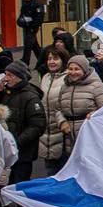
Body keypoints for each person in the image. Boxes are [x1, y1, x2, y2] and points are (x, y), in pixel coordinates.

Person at [0, 61, 45, 207]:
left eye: (10, 75)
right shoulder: (7, 92)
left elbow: (37, 125)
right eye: (5, 75)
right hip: (8, 149)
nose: (6, 79)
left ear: (19, 77)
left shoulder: (30, 97)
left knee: (20, 183)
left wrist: (16, 142)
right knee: (12, 181)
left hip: (23, 150)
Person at [57, 55, 103, 156]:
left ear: (84, 70)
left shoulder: (97, 86)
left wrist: (95, 114)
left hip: (90, 138)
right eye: (70, 69)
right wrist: (61, 122)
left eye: (77, 69)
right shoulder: (65, 86)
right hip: (69, 139)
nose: (73, 72)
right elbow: (58, 109)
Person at [38, 44, 71, 174]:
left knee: (63, 171)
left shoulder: (69, 78)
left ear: (63, 60)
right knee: (50, 172)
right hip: (47, 132)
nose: (51, 62)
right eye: (49, 58)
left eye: (55, 58)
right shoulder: (46, 77)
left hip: (63, 133)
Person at [17, 0, 46, 68]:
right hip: (27, 27)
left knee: (28, 44)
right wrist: (20, 21)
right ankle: (42, 60)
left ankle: (25, 61)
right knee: (34, 45)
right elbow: (22, 15)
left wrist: (34, 25)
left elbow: (40, 16)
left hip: (33, 27)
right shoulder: (25, 5)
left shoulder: (37, 4)